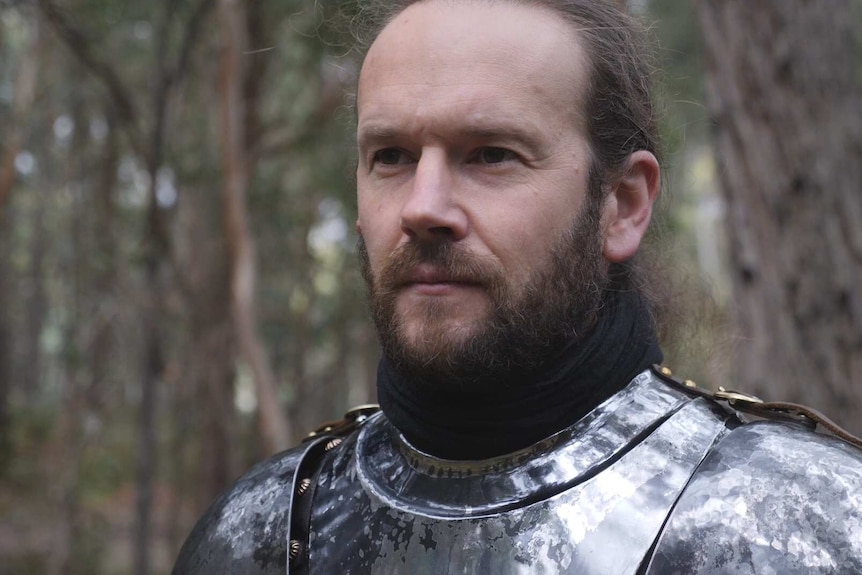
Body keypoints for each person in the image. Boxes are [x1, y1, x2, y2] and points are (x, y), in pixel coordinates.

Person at [172, 1, 862, 573]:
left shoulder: (800, 527)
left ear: (622, 204)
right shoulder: (258, 534)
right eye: (392, 157)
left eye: (491, 154)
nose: (423, 206)